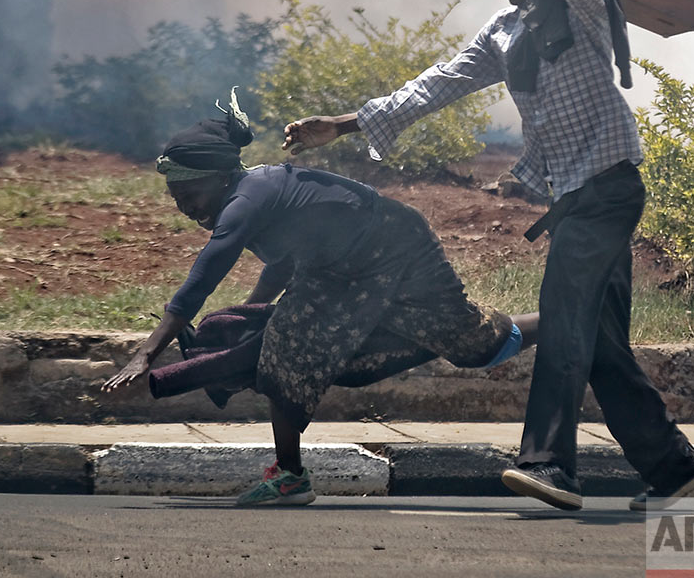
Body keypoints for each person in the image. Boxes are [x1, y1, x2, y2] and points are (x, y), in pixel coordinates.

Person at [284, 0, 694, 513]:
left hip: (608, 189)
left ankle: (548, 464)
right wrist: (341, 125)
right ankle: (672, 466)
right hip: (574, 198)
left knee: (566, 326)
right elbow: (439, 83)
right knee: (599, 341)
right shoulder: (504, 30)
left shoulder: (582, 3)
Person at [103, 91, 538, 507]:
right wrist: (251, 314)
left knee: (477, 346)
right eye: (177, 200)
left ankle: (566, 318)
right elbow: (285, 260)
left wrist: (147, 353)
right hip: (339, 271)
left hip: (396, 249)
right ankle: (289, 476)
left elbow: (201, 280)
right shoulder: (247, 196)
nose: (185, 208)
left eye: (190, 196)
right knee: (285, 345)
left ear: (218, 178)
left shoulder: (244, 202)